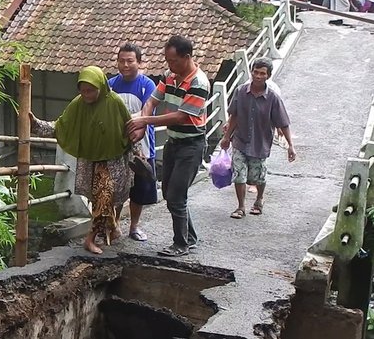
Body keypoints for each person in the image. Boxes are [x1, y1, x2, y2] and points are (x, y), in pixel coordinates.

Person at [30, 66, 134, 254]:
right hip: (90, 159)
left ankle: (90, 239)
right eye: (83, 91)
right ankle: (111, 227)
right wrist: (36, 125)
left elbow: (129, 128)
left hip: (113, 159)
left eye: (90, 91)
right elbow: (60, 126)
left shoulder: (115, 102)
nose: (86, 95)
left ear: (101, 87)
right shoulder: (78, 105)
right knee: (99, 199)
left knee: (104, 196)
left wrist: (135, 149)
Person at [126, 35, 210, 257]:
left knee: (175, 194)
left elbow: (181, 117)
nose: (170, 65)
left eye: (174, 61)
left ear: (187, 57)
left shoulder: (198, 82)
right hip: (174, 142)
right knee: (172, 193)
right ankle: (189, 238)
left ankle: (180, 244)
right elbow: (152, 101)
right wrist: (143, 125)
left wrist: (144, 121)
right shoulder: (170, 77)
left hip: (191, 144)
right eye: (167, 61)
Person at [220, 58, 297, 220]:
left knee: (257, 177)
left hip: (260, 143)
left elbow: (283, 122)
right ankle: (241, 206)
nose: (258, 76)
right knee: (239, 174)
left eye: (262, 73)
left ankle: (259, 199)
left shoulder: (273, 98)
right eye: (255, 72)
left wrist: (291, 145)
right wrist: (227, 137)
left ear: (268, 76)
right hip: (240, 140)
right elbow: (234, 115)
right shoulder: (241, 92)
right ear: (251, 72)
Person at [108, 43, 158, 242]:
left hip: (142, 147)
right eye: (122, 61)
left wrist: (124, 120)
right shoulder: (110, 84)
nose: (125, 65)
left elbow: (147, 112)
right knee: (116, 189)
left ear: (139, 62)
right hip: (115, 147)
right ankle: (114, 225)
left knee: (140, 190)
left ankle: (134, 227)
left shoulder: (148, 85)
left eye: (130, 61)